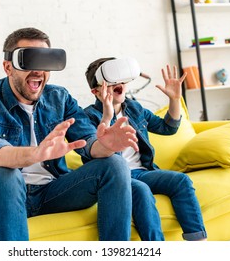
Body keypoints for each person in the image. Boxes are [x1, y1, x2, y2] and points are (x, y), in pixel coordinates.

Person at [0, 27, 144, 241]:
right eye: (29, 60)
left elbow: (88, 142)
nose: (38, 71)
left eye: (44, 61)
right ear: (8, 67)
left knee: (115, 164)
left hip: (51, 191)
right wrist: (35, 154)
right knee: (6, 173)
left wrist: (106, 146)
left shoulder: (60, 97)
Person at [84, 57, 207, 241]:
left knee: (181, 181)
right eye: (111, 81)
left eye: (121, 79)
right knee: (141, 190)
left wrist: (174, 99)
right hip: (117, 179)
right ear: (96, 91)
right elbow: (92, 150)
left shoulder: (134, 108)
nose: (119, 83)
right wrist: (107, 117)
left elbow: (168, 127)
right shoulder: (88, 117)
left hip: (143, 172)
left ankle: (199, 243)